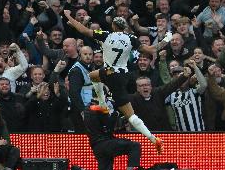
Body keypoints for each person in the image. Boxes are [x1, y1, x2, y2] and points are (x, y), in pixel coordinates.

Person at [63, 10, 172, 153]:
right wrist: (167, 38)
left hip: (108, 72)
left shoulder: (106, 35)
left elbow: (83, 30)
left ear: (113, 26)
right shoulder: (131, 38)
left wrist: (69, 16)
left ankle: (102, 104)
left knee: (94, 75)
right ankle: (153, 139)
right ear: (125, 27)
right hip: (121, 75)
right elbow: (152, 49)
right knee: (130, 115)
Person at [69, 100, 146, 170]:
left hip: (97, 147)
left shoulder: (88, 108)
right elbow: (109, 126)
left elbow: (102, 127)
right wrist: (116, 113)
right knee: (134, 145)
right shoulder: (99, 107)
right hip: (105, 143)